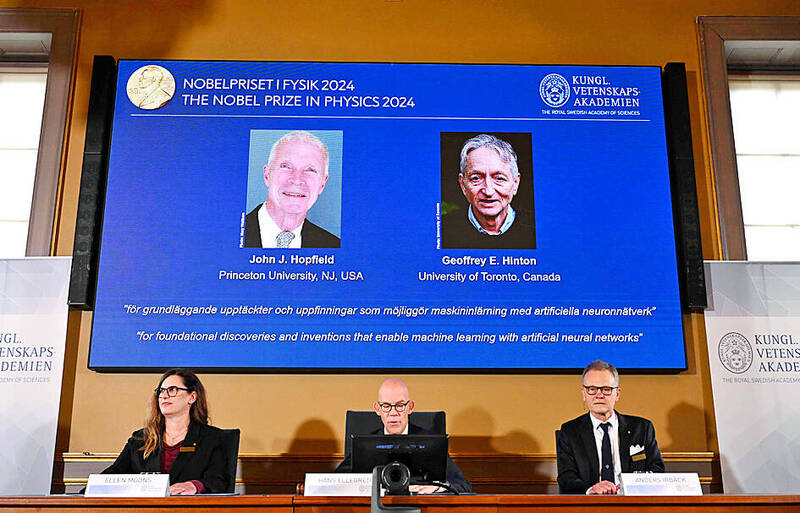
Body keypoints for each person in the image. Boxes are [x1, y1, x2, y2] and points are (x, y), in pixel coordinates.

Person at [98, 369, 232, 494]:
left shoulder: (211, 438)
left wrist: (195, 486)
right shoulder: (140, 439)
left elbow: (218, 481)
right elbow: (114, 474)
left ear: (192, 397)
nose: (164, 396)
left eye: (172, 390)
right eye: (161, 391)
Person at [335, 378, 472, 494]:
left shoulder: (430, 442)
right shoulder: (364, 445)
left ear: (410, 407)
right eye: (386, 406)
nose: (393, 412)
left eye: (400, 405)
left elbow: (463, 485)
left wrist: (438, 487)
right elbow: (335, 483)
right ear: (378, 409)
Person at [556, 360, 665, 494]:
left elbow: (657, 469)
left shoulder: (642, 427)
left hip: (633, 503)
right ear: (584, 393)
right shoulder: (570, 431)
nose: (599, 395)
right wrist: (591, 490)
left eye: (606, 389)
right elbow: (566, 477)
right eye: (592, 389)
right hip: (590, 505)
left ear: (617, 394)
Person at [245, 130, 340, 248]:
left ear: (322, 183)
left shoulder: (333, 245)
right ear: (267, 175)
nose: (297, 179)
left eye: (310, 170)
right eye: (286, 166)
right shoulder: (228, 235)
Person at [441, 134, 534, 249]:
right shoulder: (443, 231)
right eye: (476, 178)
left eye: (499, 178)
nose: (488, 191)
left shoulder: (536, 229)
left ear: (515, 183)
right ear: (463, 184)